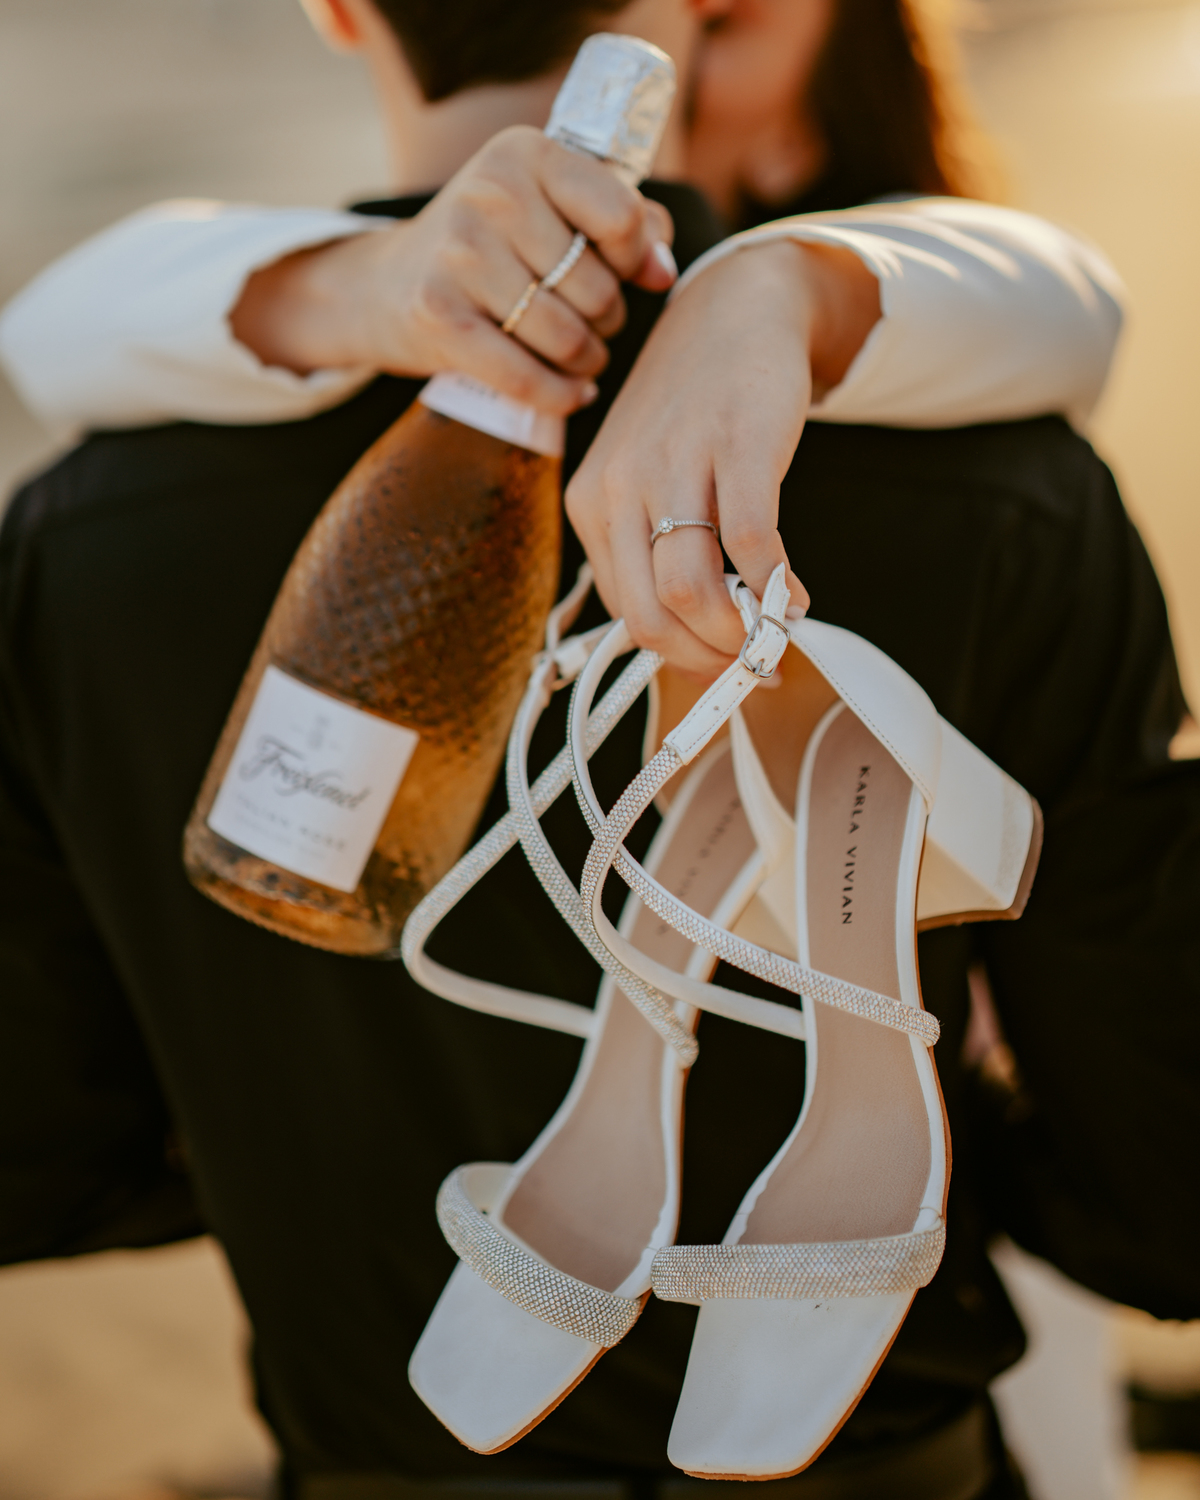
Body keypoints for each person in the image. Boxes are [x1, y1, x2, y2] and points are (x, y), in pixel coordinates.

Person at [1, 1, 1194, 1498]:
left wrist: (271, 1136)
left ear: (335, 8)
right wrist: (987, 1125)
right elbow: (1169, 1186)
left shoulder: (78, 532)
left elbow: (34, 1159)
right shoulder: (1010, 484)